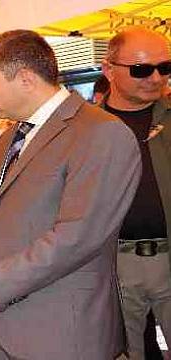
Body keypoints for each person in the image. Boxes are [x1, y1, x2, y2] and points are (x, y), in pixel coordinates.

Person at [0, 30, 142, 360]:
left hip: (60, 329)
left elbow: (78, 235)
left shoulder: (101, 133)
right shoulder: (10, 138)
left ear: (25, 79)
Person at [101, 26, 171, 360]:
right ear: (108, 69)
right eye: (142, 69)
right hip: (112, 264)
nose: (156, 77)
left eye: (165, 67)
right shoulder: (84, 129)